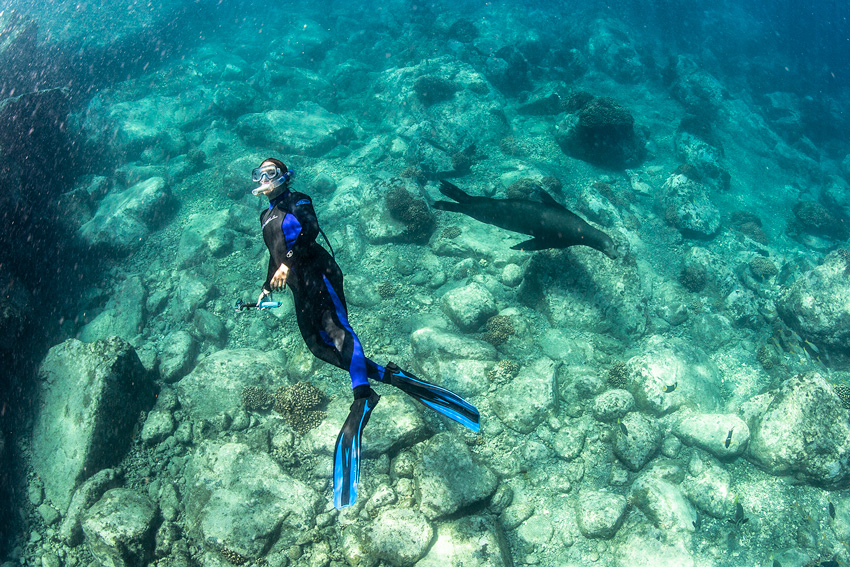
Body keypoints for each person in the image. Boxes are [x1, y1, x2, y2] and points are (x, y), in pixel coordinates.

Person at [252, 158, 480, 509]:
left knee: (338, 332)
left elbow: (309, 231)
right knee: (317, 346)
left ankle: (363, 395)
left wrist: (288, 262)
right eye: (260, 174)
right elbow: (275, 253)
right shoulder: (266, 216)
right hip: (298, 285)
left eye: (270, 172)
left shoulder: (299, 201)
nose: (264, 178)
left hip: (319, 274)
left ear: (283, 176)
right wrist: (269, 284)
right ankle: (391, 376)